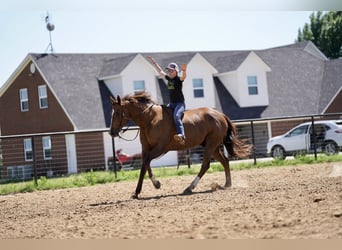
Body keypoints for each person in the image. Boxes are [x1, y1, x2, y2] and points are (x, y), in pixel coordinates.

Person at [148, 56, 187, 145]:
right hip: (172, 104)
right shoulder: (169, 79)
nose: (169, 72)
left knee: (176, 116)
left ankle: (181, 135)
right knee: (162, 114)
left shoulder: (178, 79)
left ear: (176, 71)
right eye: (168, 70)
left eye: (171, 70)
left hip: (179, 104)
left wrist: (184, 71)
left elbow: (183, 77)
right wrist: (154, 62)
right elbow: (160, 71)